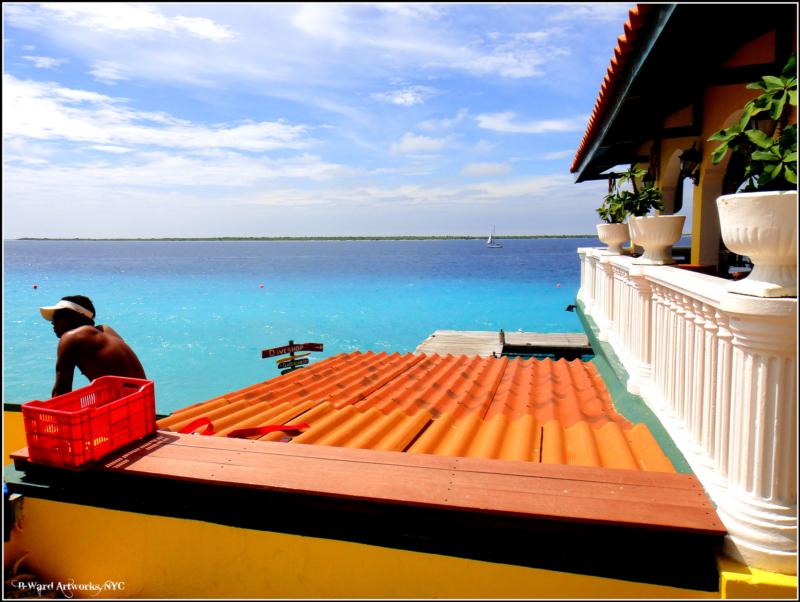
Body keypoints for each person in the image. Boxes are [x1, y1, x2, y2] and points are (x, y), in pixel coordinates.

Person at [39, 295, 146, 397]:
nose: (53, 322)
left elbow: (61, 392)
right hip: (142, 403)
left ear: (77, 317)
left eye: (57, 316)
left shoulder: (71, 337)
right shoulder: (107, 330)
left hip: (120, 410)